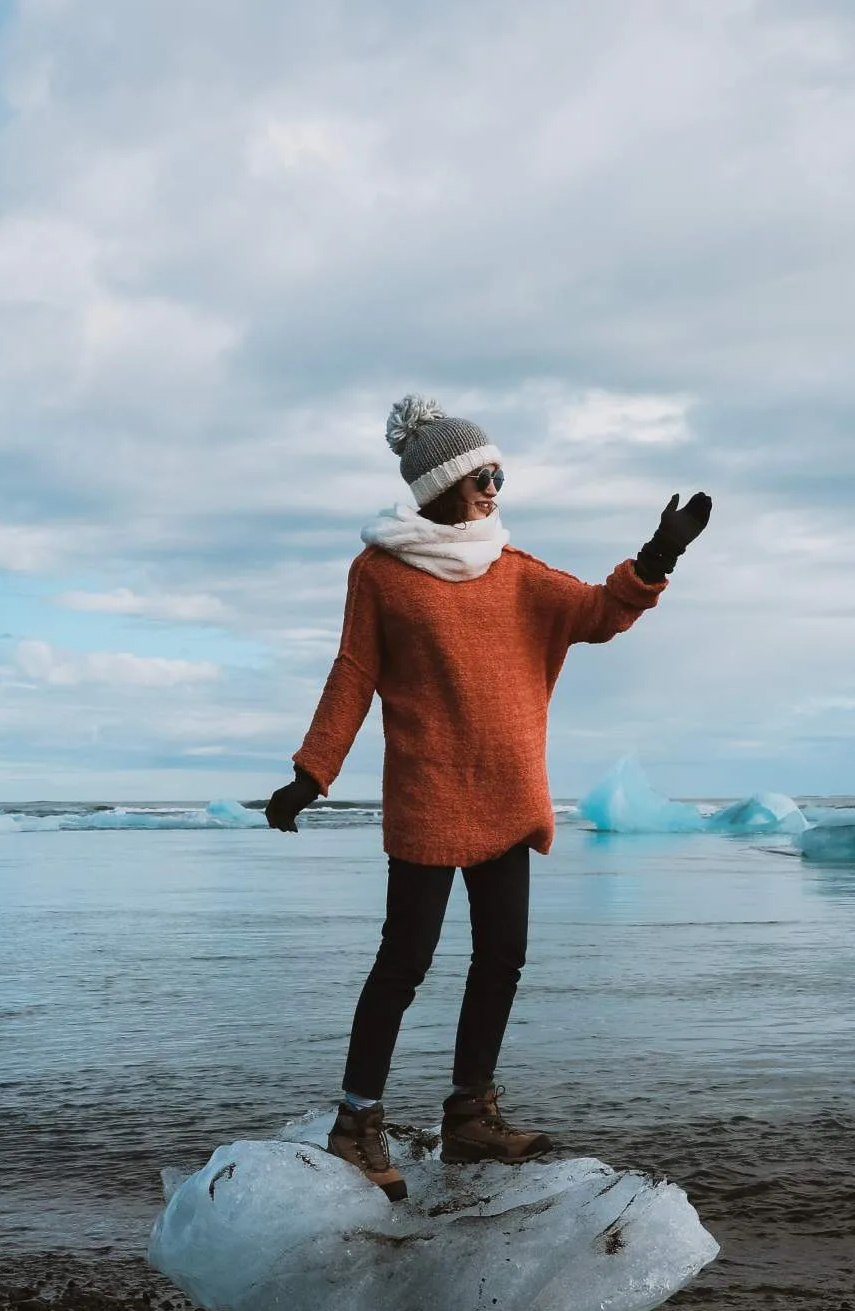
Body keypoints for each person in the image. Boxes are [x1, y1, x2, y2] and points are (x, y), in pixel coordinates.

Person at [266, 394, 711, 1201]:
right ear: (439, 483)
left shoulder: (516, 572)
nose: (493, 488)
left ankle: (470, 1114)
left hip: (509, 798)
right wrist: (311, 771)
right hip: (432, 798)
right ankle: (355, 1121)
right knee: (404, 962)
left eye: (498, 473)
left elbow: (600, 612)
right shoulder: (382, 574)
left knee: (502, 958)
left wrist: (658, 554)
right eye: (480, 475)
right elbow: (353, 674)